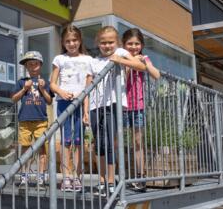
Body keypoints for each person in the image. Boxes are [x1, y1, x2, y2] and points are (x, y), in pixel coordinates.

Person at [89, 26, 145, 196]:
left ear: (117, 42)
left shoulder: (120, 52)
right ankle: (102, 181)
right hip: (95, 106)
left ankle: (111, 181)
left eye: (110, 42)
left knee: (109, 142)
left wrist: (120, 60)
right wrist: (85, 109)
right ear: (98, 43)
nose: (107, 45)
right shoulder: (94, 61)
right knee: (98, 144)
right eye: (103, 42)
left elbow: (139, 66)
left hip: (113, 104)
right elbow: (88, 85)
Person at [49, 25, 93, 192]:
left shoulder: (88, 60)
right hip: (63, 103)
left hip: (80, 104)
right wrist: (61, 92)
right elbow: (52, 84)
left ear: (80, 41)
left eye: (74, 40)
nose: (72, 43)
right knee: (66, 141)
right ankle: (66, 177)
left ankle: (77, 176)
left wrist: (86, 110)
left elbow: (88, 89)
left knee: (79, 142)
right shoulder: (59, 59)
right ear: (63, 42)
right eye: (68, 41)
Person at [122, 28, 160, 192]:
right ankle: (118, 176)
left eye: (137, 44)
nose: (133, 47)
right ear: (124, 45)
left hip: (138, 106)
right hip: (122, 106)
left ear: (142, 45)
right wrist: (131, 63)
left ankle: (140, 176)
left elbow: (156, 75)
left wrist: (143, 63)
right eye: (130, 43)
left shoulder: (144, 58)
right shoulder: (121, 58)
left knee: (138, 141)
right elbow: (123, 79)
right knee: (118, 141)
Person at [12, 50, 53, 186]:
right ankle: (24, 175)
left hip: (41, 120)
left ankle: (41, 175)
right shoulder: (21, 82)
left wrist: (42, 89)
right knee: (25, 148)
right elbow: (14, 98)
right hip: (25, 120)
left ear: (40, 65)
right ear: (26, 67)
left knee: (42, 149)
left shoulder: (45, 82)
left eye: (36, 64)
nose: (33, 67)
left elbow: (49, 101)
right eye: (30, 64)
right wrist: (24, 89)